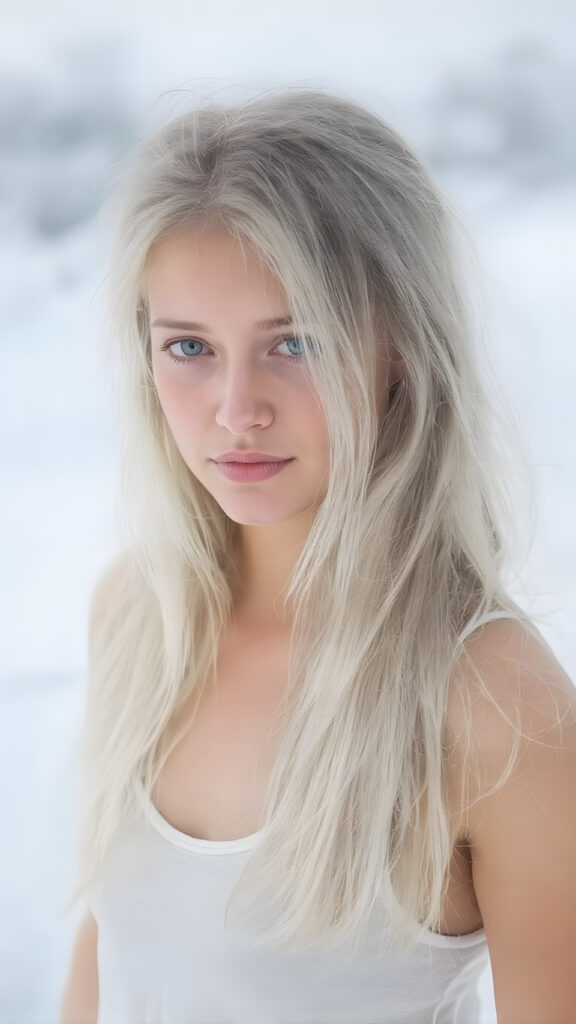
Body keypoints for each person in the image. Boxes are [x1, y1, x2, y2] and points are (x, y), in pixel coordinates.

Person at [59, 86, 576, 1024]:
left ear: (401, 347)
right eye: (188, 347)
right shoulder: (136, 613)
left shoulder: (498, 706)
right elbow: (112, 962)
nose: (235, 409)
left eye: (294, 341)